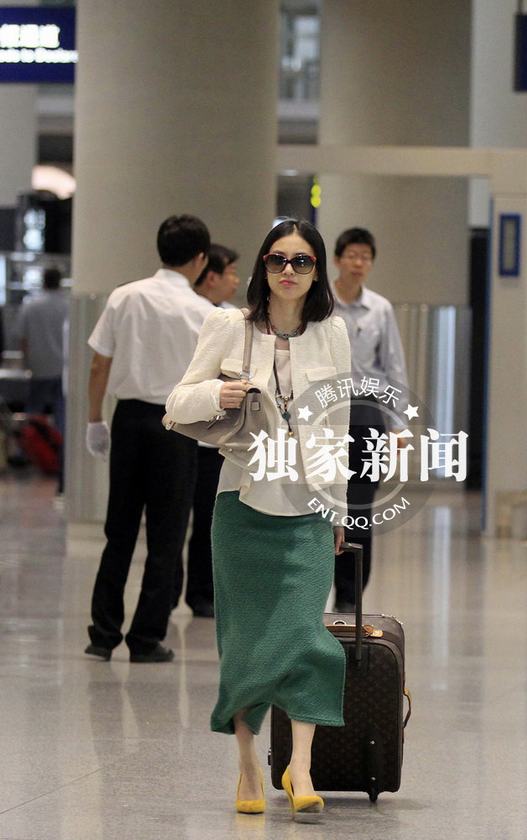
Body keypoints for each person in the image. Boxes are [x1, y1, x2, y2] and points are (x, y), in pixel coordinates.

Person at [166, 219, 351, 821]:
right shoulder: (229, 325)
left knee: (305, 637)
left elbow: (339, 427)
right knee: (245, 641)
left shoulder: (332, 333)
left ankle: (300, 767)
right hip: (241, 505)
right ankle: (248, 764)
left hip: (307, 508)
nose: (288, 271)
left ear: (317, 271)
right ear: (262, 268)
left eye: (301, 261)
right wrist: (216, 396)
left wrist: (338, 508)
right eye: (278, 260)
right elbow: (177, 402)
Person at [84, 214, 213, 663]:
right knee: (166, 534)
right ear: (200, 259)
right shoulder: (204, 312)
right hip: (177, 425)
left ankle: (102, 635)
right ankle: (145, 638)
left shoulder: (125, 295)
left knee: (118, 529)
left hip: (129, 419)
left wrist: (95, 420)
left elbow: (99, 364)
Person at [332, 227, 408, 612]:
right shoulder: (320, 303)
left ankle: (350, 595)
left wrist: (399, 424)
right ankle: (318, 587)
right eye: (352, 255)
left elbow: (394, 366)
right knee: (322, 502)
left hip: (367, 414)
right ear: (337, 260)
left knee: (360, 507)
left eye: (365, 257)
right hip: (326, 413)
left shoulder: (380, 309)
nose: (359, 263)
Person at [174, 244, 240, 617]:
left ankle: (202, 592)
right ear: (211, 276)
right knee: (173, 519)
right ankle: (170, 593)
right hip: (183, 430)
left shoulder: (233, 319)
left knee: (207, 519)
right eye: (231, 272)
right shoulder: (191, 314)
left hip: (216, 438)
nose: (236, 280)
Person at [17, 267, 69, 492]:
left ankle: (28, 453)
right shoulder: (68, 305)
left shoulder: (31, 305)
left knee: (34, 414)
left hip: (39, 367)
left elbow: (23, 338)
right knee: (61, 415)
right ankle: (60, 454)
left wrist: (26, 363)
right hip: (62, 368)